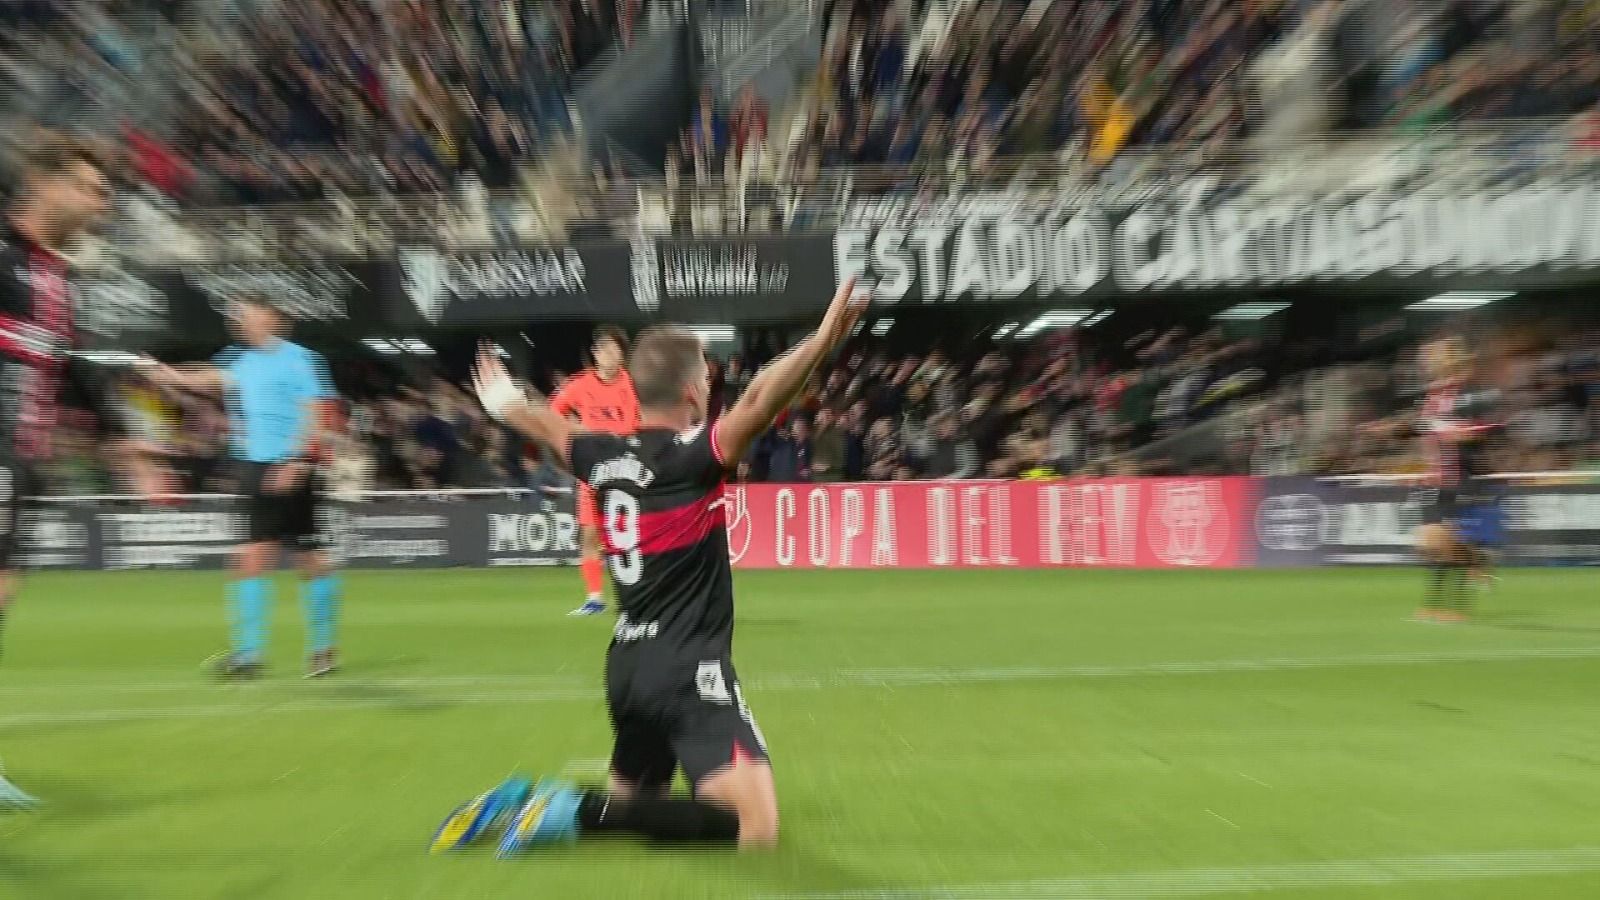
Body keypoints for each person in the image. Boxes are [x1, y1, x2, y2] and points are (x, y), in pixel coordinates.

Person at [434, 278, 867, 854]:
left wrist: (505, 400)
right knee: (755, 828)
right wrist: (818, 343)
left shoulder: (600, 454)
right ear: (695, 390)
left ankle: (526, 800)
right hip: (686, 669)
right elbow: (762, 401)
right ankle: (571, 808)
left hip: (627, 668)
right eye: (708, 382)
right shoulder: (694, 457)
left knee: (643, 809)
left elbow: (544, 423)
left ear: (635, 390)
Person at [0, 139, 166, 808]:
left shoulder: (55, 278)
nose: (105, 202)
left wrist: (125, 444)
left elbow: (68, 366)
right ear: (46, 185)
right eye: (93, 189)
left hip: (24, 461)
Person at [145, 297, 340, 678]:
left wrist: (300, 461)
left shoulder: (301, 359)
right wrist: (165, 373)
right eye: (237, 317)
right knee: (254, 557)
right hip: (253, 467)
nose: (239, 322)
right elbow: (204, 378)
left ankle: (319, 648)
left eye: (247, 315)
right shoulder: (236, 358)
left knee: (306, 558)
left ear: (271, 318)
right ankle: (252, 655)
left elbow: (322, 413)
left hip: (292, 465)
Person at [549, 326, 639, 616]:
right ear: (596, 354)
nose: (612, 356)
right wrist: (579, 431)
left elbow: (634, 424)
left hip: (625, 469)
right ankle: (594, 598)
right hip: (592, 472)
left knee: (626, 535)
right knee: (589, 534)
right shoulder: (580, 385)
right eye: (606, 350)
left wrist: (600, 432)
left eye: (617, 351)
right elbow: (553, 413)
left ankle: (634, 596)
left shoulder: (631, 385)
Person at [1413, 336, 1503, 623]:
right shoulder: (1431, 397)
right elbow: (1427, 433)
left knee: (1446, 541)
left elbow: (1490, 426)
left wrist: (1464, 432)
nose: (1428, 364)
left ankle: (1456, 605)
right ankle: (1438, 599)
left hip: (1459, 478)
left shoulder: (1468, 394)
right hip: (1434, 479)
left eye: (1435, 357)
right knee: (1430, 543)